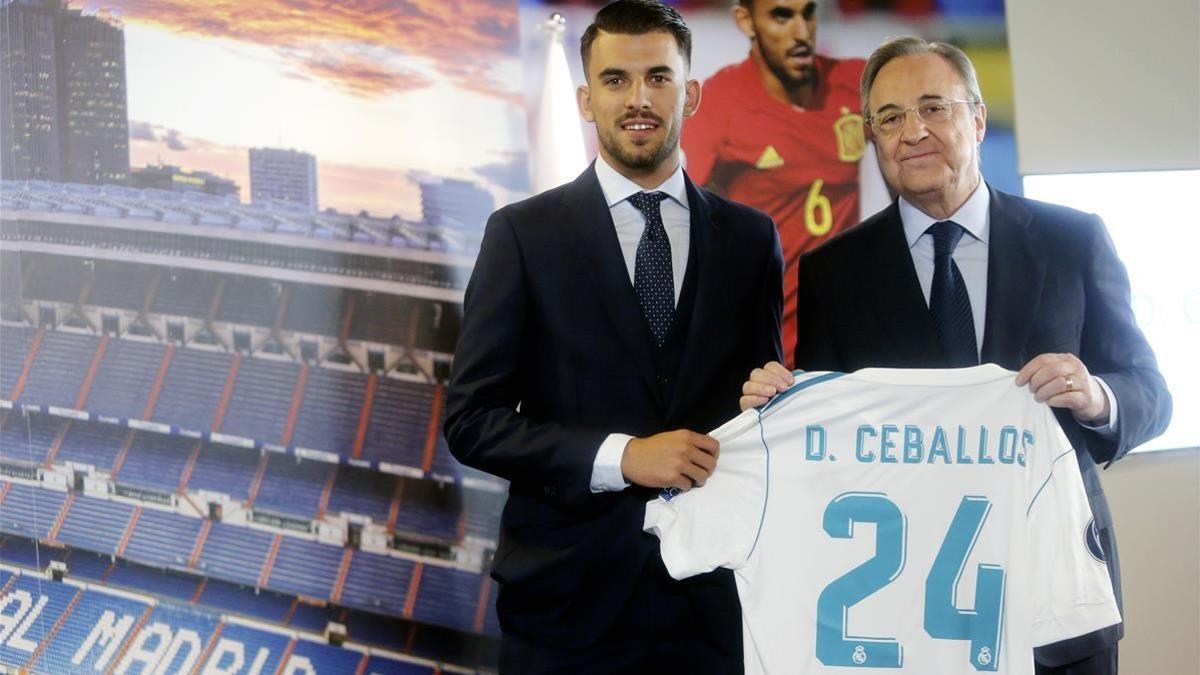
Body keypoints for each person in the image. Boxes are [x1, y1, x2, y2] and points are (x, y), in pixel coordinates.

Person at [740, 37, 1171, 675]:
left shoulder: (1071, 240)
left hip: (1055, 589)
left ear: (976, 118)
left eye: (934, 108)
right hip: (907, 609)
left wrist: (1096, 394)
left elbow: (1150, 394)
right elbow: (830, 441)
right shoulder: (834, 271)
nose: (913, 131)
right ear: (870, 138)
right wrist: (781, 407)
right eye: (889, 117)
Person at [443, 1, 783, 672]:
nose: (638, 99)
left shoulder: (750, 239)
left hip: (713, 606)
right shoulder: (521, 235)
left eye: (658, 77)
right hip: (564, 609)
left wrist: (776, 394)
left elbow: (758, 410)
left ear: (691, 93)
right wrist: (622, 456)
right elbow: (471, 420)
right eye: (616, 80)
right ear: (585, 98)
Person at [681, 0, 887, 367]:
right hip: (768, 343)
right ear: (745, 21)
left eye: (808, 13)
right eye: (781, 16)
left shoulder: (854, 84)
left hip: (848, 333)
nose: (801, 31)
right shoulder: (719, 104)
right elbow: (678, 217)